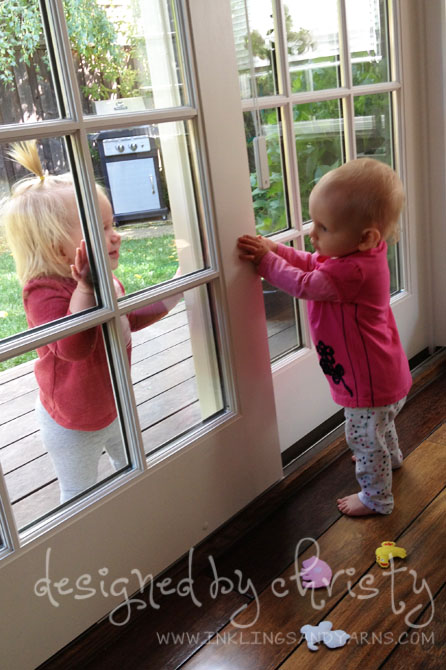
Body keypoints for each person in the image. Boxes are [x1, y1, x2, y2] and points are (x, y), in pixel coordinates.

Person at [1, 140, 179, 503]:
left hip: (115, 404)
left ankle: (135, 507)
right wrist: (84, 288)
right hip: (71, 423)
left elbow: (128, 319)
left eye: (112, 224)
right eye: (101, 229)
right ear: (57, 249)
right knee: (80, 494)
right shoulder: (43, 293)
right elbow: (73, 347)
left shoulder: (106, 279)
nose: (116, 235)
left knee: (131, 467)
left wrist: (182, 285)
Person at [238, 158, 412, 516]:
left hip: (369, 384)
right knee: (379, 429)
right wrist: (276, 250)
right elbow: (310, 260)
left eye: (323, 227)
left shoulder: (353, 273)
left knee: (363, 439)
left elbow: (302, 283)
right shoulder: (356, 256)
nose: (313, 234)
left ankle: (376, 497)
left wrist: (266, 263)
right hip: (384, 376)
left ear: (367, 237)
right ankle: (389, 458)